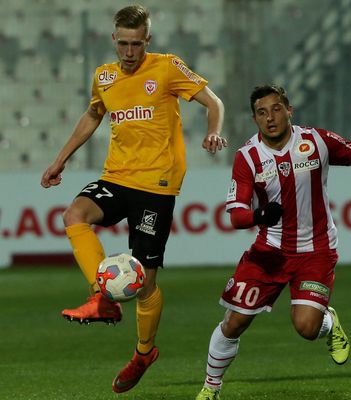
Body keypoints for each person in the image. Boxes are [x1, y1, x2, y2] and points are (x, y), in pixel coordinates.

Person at [195, 84, 351, 400]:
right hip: (269, 251)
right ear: (254, 118)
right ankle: (211, 387)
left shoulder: (317, 141)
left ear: (289, 110)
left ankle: (328, 320)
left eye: (276, 109)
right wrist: (260, 216)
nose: (270, 118)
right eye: (262, 112)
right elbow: (236, 214)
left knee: (307, 328)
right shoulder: (248, 156)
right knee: (234, 322)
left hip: (317, 252)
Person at [40, 5, 226, 394]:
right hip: (117, 176)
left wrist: (212, 132)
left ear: (148, 41)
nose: (129, 52)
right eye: (123, 44)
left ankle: (143, 353)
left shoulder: (168, 67)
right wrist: (59, 160)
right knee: (75, 213)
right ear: (114, 40)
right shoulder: (103, 76)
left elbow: (214, 103)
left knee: (145, 282)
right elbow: (93, 115)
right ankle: (101, 297)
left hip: (156, 185)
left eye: (136, 44)